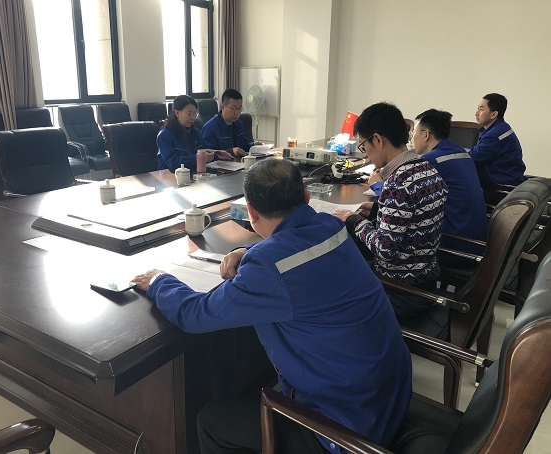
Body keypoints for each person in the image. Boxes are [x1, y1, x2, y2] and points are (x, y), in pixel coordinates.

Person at [132, 158, 412, 453]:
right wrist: (249, 250)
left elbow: (196, 314)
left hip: (347, 430)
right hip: (389, 397)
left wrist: (159, 281)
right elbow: (296, 245)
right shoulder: (331, 225)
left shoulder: (269, 267)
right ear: (306, 197)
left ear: (251, 212)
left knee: (212, 421)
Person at [332, 102, 448, 320]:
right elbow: (415, 217)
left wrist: (354, 219)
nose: (366, 156)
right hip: (425, 280)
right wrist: (378, 209)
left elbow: (385, 250)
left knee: (330, 278)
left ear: (377, 139)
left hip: (400, 291)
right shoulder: (426, 168)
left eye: (363, 147)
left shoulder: (398, 183)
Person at [412, 109, 488, 252]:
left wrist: (377, 184)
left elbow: (401, 194)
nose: (411, 139)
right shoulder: (462, 152)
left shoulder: (430, 160)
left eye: (413, 133)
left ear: (426, 134)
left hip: (454, 244)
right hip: (476, 239)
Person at [469, 93, 526, 201]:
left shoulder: (495, 135)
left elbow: (471, 158)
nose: (476, 113)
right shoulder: (500, 128)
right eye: (477, 108)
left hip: (499, 187)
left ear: (494, 114)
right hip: (503, 179)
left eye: (481, 109)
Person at [156, 95, 232, 171]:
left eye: (195, 114)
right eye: (189, 114)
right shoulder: (164, 135)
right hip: (171, 175)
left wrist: (216, 154)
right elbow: (173, 162)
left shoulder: (195, 132)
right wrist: (199, 158)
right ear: (177, 113)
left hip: (194, 173)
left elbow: (204, 150)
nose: (192, 118)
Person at [201, 88, 261, 157]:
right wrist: (231, 151)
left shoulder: (239, 124)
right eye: (233, 108)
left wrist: (253, 146)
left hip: (239, 162)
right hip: (222, 163)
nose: (237, 113)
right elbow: (207, 154)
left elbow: (244, 146)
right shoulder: (210, 128)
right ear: (222, 107)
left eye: (239, 108)